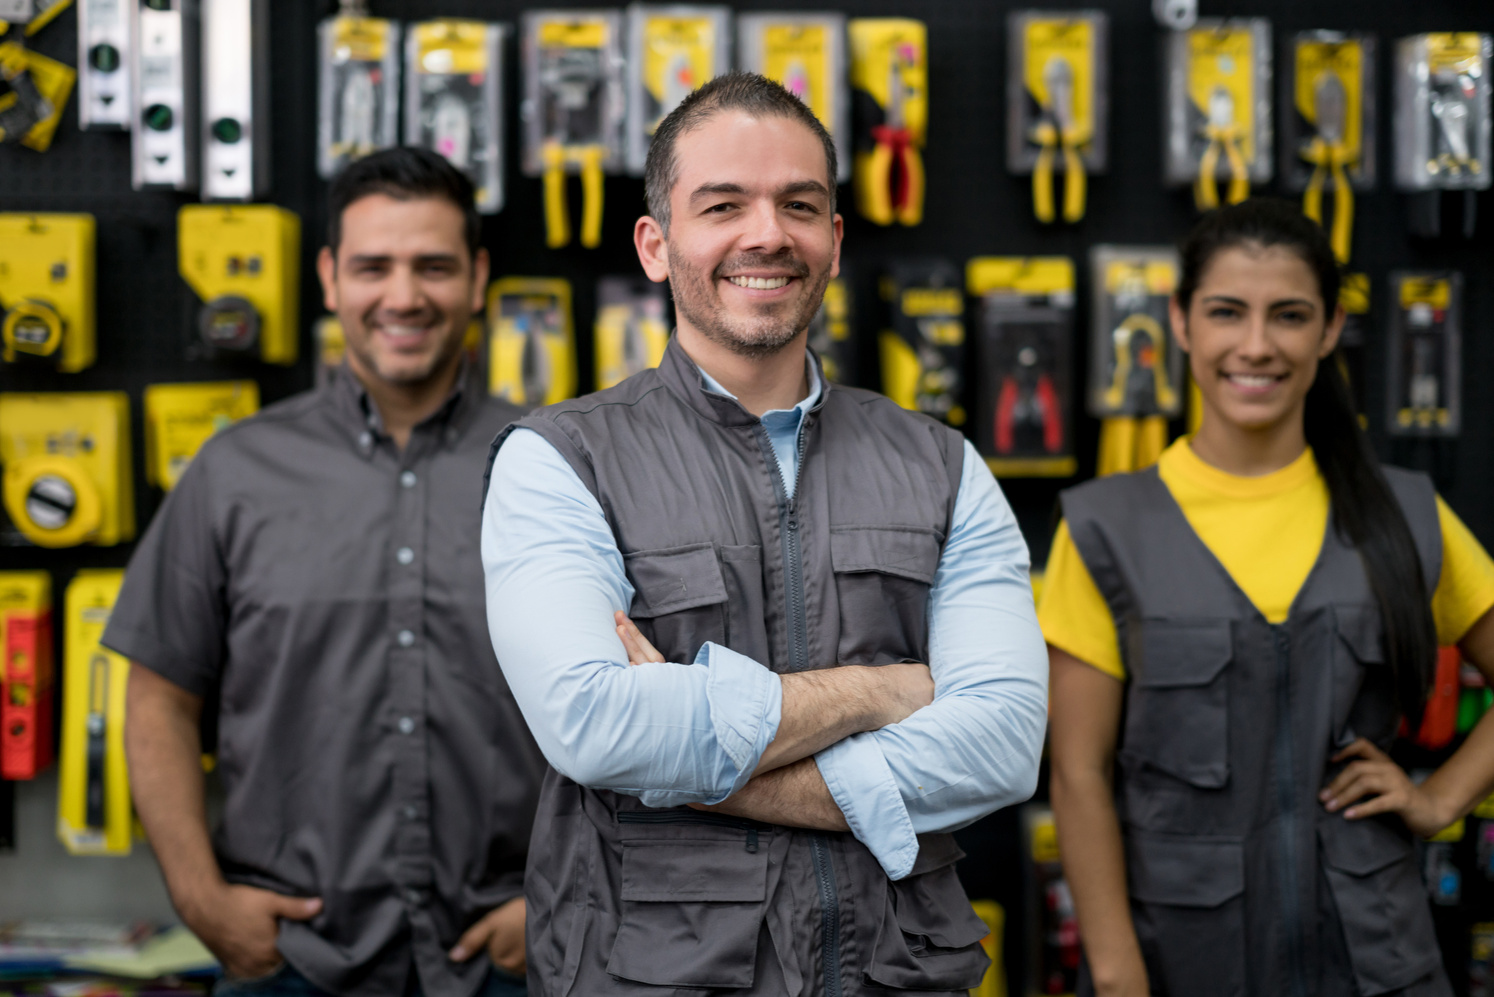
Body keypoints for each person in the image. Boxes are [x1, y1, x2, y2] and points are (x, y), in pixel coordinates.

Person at [480, 71, 1048, 997]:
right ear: (656, 245)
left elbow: (1004, 745)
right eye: (723, 204)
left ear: (833, 240)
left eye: (800, 204)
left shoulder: (944, 467)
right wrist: (878, 691)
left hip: (895, 975)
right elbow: (591, 725)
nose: (767, 234)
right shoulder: (558, 461)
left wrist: (687, 759)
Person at [108, 148, 544, 997]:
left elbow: (638, 705)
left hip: (514, 962)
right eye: (373, 266)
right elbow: (157, 696)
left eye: (434, 266)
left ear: (479, 277)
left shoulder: (557, 467)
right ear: (328, 278)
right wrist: (200, 899)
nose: (404, 296)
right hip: (291, 964)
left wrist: (568, 895)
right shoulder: (233, 473)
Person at [1042, 199, 1494, 997]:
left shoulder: (1405, 513)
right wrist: (1116, 976)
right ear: (1180, 323)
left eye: (1289, 315)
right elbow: (1077, 772)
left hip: (1375, 960)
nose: (1256, 345)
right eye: (1227, 312)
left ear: (1328, 331)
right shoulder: (1106, 527)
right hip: (1181, 959)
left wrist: (1440, 800)